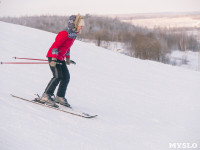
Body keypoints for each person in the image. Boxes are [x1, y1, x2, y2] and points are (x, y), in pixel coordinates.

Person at [40, 14, 84, 108]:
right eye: (80, 24)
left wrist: (67, 58)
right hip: (53, 57)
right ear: (75, 24)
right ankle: (46, 96)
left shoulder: (73, 34)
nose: (82, 26)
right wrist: (54, 58)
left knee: (66, 77)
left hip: (60, 57)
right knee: (57, 76)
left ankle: (59, 97)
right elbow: (55, 46)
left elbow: (67, 47)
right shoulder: (64, 33)